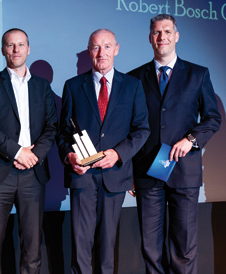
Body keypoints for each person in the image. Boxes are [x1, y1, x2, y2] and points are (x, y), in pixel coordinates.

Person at [128, 14, 221, 273]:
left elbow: (213, 118)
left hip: (184, 171)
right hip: (147, 172)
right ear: (150, 38)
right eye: (157, 32)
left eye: (167, 32)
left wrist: (191, 140)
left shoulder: (198, 74)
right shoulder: (134, 78)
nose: (162, 37)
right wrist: (130, 173)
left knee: (184, 246)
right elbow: (130, 128)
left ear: (176, 36)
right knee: (150, 247)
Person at [57, 29, 150, 274]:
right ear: (89, 51)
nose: (102, 53)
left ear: (117, 49)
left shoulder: (133, 86)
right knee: (80, 245)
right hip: (82, 176)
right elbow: (62, 133)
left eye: (107, 47)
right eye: (96, 47)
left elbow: (142, 130)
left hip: (115, 176)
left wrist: (118, 154)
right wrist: (69, 156)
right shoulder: (73, 86)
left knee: (108, 245)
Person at [0, 28, 57, 274]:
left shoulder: (43, 86)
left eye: (21, 45)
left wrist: (32, 156)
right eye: (10, 45)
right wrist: (17, 152)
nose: (16, 50)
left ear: (28, 49)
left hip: (33, 173)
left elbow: (51, 127)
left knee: (32, 245)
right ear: (3, 50)